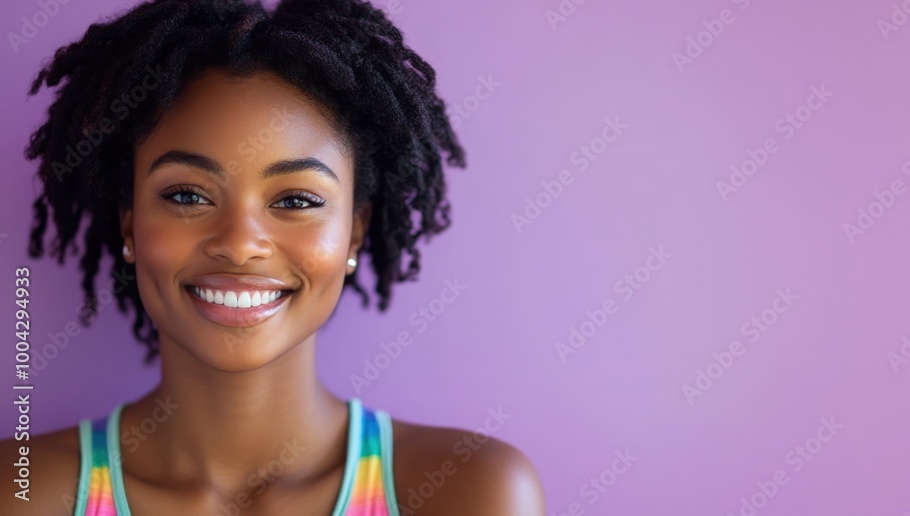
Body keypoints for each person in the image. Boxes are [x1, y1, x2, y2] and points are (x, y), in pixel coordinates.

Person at [0, 0, 545, 514]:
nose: (239, 243)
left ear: (355, 233)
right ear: (130, 225)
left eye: (296, 201)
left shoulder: (468, 490)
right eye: (187, 195)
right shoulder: (20, 491)